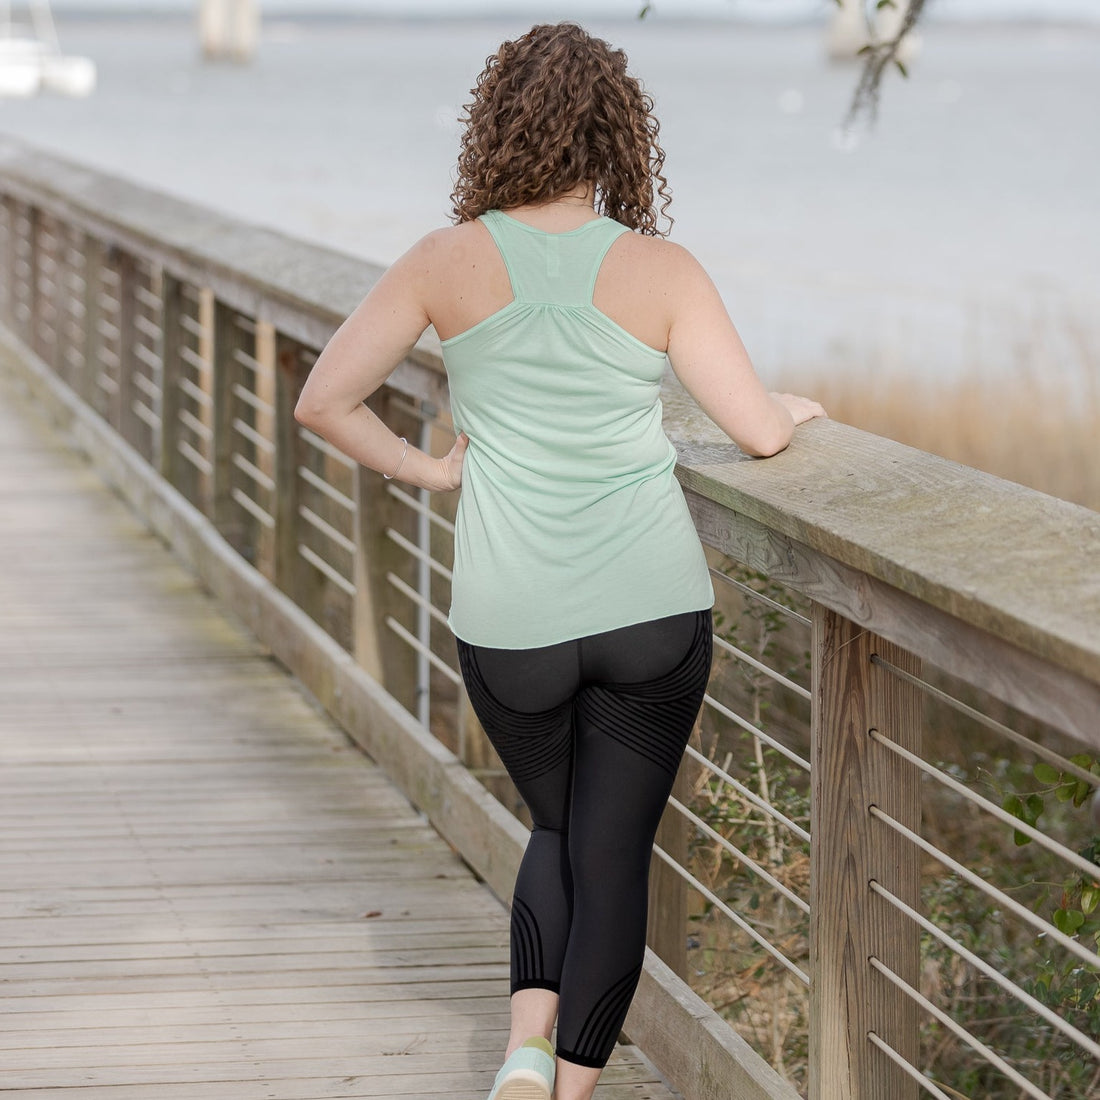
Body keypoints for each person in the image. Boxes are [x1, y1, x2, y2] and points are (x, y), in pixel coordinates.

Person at [294, 21, 825, 1100]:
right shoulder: (658, 269)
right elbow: (758, 432)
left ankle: (523, 1060)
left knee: (554, 823)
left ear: (495, 130)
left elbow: (322, 400)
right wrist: (793, 414)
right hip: (647, 609)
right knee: (612, 848)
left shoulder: (442, 262)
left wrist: (426, 471)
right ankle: (571, 1088)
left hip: (510, 616)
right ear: (618, 140)